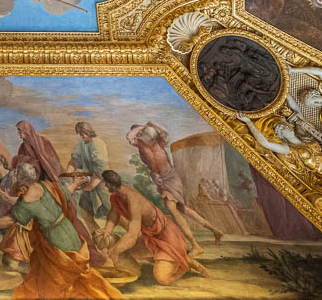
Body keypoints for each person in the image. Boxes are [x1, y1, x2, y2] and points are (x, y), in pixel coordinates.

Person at [0, 163, 121, 300]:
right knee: (79, 271)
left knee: (56, 283)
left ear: (20, 178)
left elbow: (10, 220)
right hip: (68, 230)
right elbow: (65, 192)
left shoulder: (25, 202)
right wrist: (76, 183)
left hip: (56, 239)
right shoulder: (46, 186)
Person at [12, 119, 106, 266]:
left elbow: (52, 164)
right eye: (18, 131)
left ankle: (89, 252)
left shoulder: (42, 142)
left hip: (51, 185)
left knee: (70, 217)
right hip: (36, 187)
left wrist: (57, 183)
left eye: (20, 131)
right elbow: (26, 169)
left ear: (27, 130)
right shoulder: (22, 147)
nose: (18, 134)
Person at [126, 122, 221, 257]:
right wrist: (139, 128)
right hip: (161, 181)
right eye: (138, 134)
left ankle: (195, 245)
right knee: (183, 209)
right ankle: (215, 230)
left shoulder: (157, 141)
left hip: (171, 177)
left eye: (141, 133)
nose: (139, 136)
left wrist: (148, 124)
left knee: (172, 208)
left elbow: (164, 131)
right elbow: (129, 137)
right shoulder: (140, 145)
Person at [97, 170, 207, 284]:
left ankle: (184, 265)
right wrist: (107, 230)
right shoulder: (117, 196)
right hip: (149, 237)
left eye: (106, 183)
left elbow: (132, 235)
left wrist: (115, 251)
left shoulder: (133, 200)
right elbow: (114, 214)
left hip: (166, 237)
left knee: (162, 279)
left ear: (111, 184)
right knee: (132, 252)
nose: (105, 186)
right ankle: (183, 259)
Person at [67, 121, 109, 232]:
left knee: (111, 210)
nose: (82, 136)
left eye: (83, 133)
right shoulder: (81, 143)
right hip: (87, 182)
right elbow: (74, 160)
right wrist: (68, 175)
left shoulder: (98, 143)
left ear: (89, 131)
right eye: (80, 134)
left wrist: (90, 185)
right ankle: (97, 238)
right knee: (85, 214)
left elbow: (100, 168)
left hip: (102, 182)